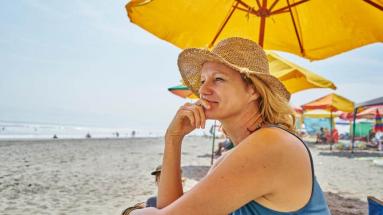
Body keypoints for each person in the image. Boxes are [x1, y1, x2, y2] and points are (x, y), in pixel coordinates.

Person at [131, 37, 330, 214]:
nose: (203, 90)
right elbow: (169, 208)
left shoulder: (272, 144)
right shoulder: (229, 157)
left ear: (253, 91)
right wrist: (173, 139)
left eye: (218, 79)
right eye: (202, 81)